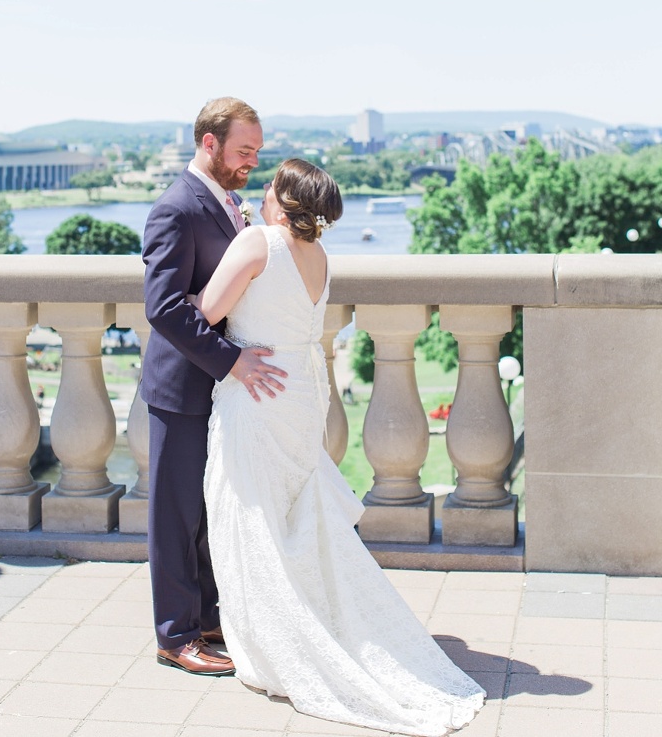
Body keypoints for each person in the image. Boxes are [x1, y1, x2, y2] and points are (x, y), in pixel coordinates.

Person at [194, 158, 485, 736]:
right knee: (292, 515)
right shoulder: (319, 257)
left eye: (270, 183)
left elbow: (207, 311)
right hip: (301, 396)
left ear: (283, 198)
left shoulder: (256, 242)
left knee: (251, 515)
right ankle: (299, 628)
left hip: (256, 392)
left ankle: (276, 646)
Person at [141, 96, 287, 677]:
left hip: (216, 393)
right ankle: (175, 638)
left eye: (256, 150)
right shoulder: (174, 208)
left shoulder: (231, 204)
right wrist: (232, 361)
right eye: (243, 150)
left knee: (208, 512)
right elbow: (165, 308)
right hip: (180, 389)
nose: (252, 161)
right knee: (175, 519)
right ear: (209, 143)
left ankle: (206, 621)